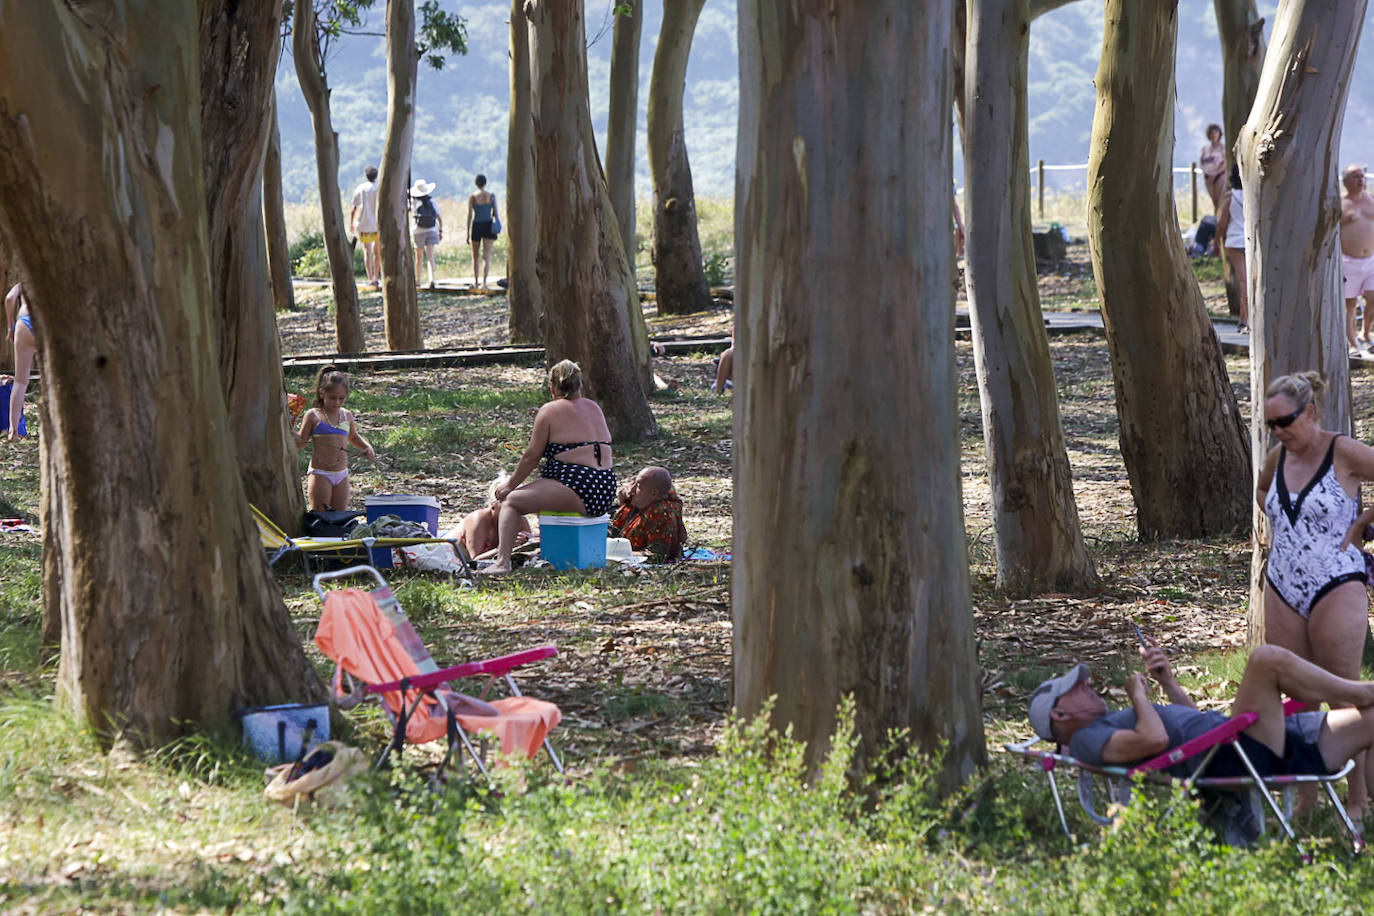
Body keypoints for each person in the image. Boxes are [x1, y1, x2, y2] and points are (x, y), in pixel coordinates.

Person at [1031, 643, 1374, 813]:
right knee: (1265, 660)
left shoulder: (1107, 724)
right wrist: (1138, 697)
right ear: (1060, 716)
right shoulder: (1087, 741)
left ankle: (1361, 695)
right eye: (1076, 689)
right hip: (1233, 756)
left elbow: (1195, 726)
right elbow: (1156, 739)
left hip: (1250, 741)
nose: (1087, 684)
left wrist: (1167, 683)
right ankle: (1358, 690)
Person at [1257, 371, 1374, 813]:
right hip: (1284, 583)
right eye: (1271, 425)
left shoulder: (1342, 451)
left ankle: (1359, 799)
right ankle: (1308, 798)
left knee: (1345, 693)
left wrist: (1363, 523)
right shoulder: (1276, 458)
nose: (1279, 432)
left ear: (1309, 412)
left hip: (1336, 582)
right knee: (1298, 696)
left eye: (1285, 421)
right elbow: (1263, 490)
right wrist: (1286, 533)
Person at [480, 360, 615, 575]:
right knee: (534, 494)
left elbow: (532, 456)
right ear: (580, 385)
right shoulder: (594, 407)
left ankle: (501, 563)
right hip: (605, 486)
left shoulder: (550, 410)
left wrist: (509, 486)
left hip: (578, 484)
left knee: (512, 502)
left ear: (552, 387)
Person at [294, 366, 376, 511]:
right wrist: (287, 428)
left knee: (339, 515)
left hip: (341, 474)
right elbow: (301, 442)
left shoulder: (346, 415)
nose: (337, 402)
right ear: (322, 393)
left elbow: (354, 437)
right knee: (322, 515)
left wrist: (367, 447)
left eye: (341, 398)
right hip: (321, 473)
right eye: (332, 398)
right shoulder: (314, 415)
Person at [610, 467, 688, 561]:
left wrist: (617, 554)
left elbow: (656, 555)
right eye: (633, 483)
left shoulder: (660, 513)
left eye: (638, 486)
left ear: (654, 493)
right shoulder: (641, 500)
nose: (631, 491)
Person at [1211, 164, 1249, 334]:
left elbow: (1222, 223)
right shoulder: (1255, 194)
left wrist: (1215, 243)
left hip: (1234, 241)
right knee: (1251, 281)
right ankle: (1245, 318)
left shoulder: (1229, 197)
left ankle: (1244, 320)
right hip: (1251, 241)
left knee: (1243, 281)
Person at [1341, 164, 1374, 352]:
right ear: (1345, 181)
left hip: (1371, 260)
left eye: (1362, 176)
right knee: (1350, 304)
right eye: (1355, 176)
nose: (1360, 180)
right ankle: (1352, 342)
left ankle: (1365, 333)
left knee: (1373, 298)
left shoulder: (1371, 200)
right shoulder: (1339, 204)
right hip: (1348, 261)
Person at [457, 475, 531, 560]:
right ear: (494, 504)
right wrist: (506, 546)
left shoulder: (520, 519)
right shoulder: (478, 519)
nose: (514, 509)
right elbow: (475, 560)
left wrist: (527, 541)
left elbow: (530, 547)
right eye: (508, 504)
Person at [4, 283, 36, 441]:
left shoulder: (25, 280)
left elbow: (10, 299)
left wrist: (10, 327)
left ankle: (13, 431)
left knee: (20, 381)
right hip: (46, 322)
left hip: (24, 322)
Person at [466, 174, 500, 291]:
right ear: (485, 183)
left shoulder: (473, 197)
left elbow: (470, 216)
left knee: (475, 256)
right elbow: (496, 212)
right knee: (487, 256)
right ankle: (484, 283)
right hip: (488, 225)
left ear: (476, 183)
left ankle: (476, 283)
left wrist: (467, 232)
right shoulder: (491, 196)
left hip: (477, 226)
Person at [350, 165, 381, 289]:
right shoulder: (379, 187)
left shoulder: (361, 188)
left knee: (367, 251)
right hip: (378, 224)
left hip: (364, 224)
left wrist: (352, 223)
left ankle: (370, 278)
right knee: (377, 251)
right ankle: (376, 277)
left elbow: (354, 208)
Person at [410, 179, 442, 291]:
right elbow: (439, 217)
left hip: (418, 231)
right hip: (432, 229)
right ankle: (431, 279)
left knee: (419, 258)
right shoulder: (432, 201)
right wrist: (440, 231)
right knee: (430, 256)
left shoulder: (413, 202)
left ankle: (418, 280)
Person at [1199, 123, 1227, 213]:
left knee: (1219, 200)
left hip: (1219, 176)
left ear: (1219, 134)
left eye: (1216, 132)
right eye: (1211, 133)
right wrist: (1207, 174)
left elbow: (1225, 163)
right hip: (1208, 177)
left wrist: (1215, 175)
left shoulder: (1222, 148)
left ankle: (1218, 221)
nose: (1214, 135)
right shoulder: (1205, 149)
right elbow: (1202, 162)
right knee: (1214, 201)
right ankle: (1216, 219)